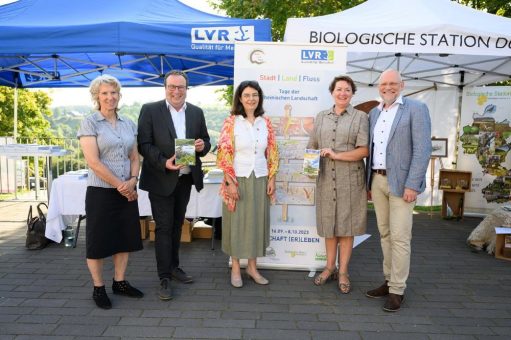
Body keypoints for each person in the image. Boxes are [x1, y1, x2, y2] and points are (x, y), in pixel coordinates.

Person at [138, 70, 210, 300]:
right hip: (160, 178)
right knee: (163, 227)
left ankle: (174, 266)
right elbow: (144, 144)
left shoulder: (197, 113)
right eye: (172, 87)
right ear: (165, 88)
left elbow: (207, 142)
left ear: (187, 89)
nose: (176, 91)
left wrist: (202, 146)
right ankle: (164, 277)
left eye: (180, 87)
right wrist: (163, 162)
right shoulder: (150, 110)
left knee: (178, 225)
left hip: (185, 179)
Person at [365, 69, 431, 312]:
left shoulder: (416, 108)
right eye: (384, 84)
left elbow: (423, 148)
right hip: (377, 180)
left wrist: (413, 184)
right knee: (384, 234)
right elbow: (371, 150)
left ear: (402, 85)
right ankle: (388, 280)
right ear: (379, 87)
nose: (388, 87)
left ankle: (397, 290)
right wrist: (368, 184)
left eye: (393, 83)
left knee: (401, 237)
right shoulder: (374, 112)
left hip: (403, 183)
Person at [77, 74, 144, 310]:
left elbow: (135, 157)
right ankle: (98, 288)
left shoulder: (128, 123)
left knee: (123, 238)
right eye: (104, 93)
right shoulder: (90, 122)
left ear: (119, 95)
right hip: (101, 191)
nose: (110, 97)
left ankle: (120, 282)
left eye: (113, 92)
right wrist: (122, 185)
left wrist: (133, 180)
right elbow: (93, 162)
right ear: (97, 97)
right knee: (97, 241)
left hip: (127, 190)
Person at [307, 75, 369, 294]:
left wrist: (336, 155)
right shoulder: (321, 117)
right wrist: (309, 170)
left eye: (347, 90)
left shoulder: (361, 117)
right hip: (325, 178)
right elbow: (312, 148)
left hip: (350, 180)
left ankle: (343, 272)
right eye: (339, 89)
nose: (343, 93)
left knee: (347, 227)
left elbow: (364, 150)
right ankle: (329, 267)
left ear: (352, 93)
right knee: (329, 226)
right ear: (332, 92)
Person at [217, 80, 279, 288]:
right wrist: (229, 182)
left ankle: (252, 268)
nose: (251, 98)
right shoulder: (231, 122)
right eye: (246, 95)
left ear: (259, 97)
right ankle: (235, 268)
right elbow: (224, 153)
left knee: (255, 223)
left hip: (260, 178)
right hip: (237, 179)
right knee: (237, 224)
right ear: (240, 99)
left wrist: (272, 178)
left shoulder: (265, 122)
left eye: (255, 94)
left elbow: (272, 152)